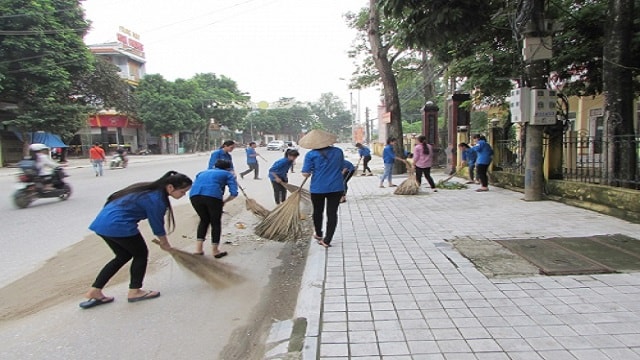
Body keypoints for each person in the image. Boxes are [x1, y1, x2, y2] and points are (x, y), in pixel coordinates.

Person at [79, 171, 193, 309]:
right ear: (170, 188)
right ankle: (135, 291)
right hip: (119, 225)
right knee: (141, 254)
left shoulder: (146, 189)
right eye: (182, 191)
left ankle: (95, 291)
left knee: (122, 256)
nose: (183, 195)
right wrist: (165, 244)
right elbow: (157, 225)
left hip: (102, 224)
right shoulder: (156, 199)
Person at [299, 129, 344, 248]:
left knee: (318, 212)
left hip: (318, 188)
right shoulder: (338, 151)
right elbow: (341, 166)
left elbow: (305, 173)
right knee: (332, 213)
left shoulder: (311, 154)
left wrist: (313, 170)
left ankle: (319, 234)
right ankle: (327, 240)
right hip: (336, 187)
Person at [190, 160, 238, 257]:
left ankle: (198, 249)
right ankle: (215, 251)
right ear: (228, 168)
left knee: (204, 220)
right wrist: (225, 201)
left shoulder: (202, 172)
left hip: (194, 196)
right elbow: (234, 193)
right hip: (212, 197)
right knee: (215, 222)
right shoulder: (227, 174)